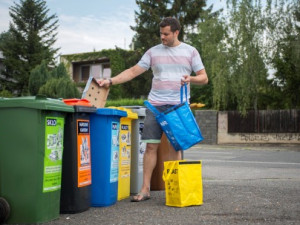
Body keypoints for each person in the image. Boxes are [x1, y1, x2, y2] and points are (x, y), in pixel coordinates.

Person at [98, 17, 208, 202]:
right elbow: (133, 71)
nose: (162, 37)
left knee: (175, 148)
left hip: (178, 107)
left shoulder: (190, 51)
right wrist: (110, 81)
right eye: (160, 34)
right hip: (155, 105)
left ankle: (175, 189)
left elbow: (204, 78)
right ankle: (145, 189)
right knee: (150, 146)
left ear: (176, 32)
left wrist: (191, 79)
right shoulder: (153, 52)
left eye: (166, 34)